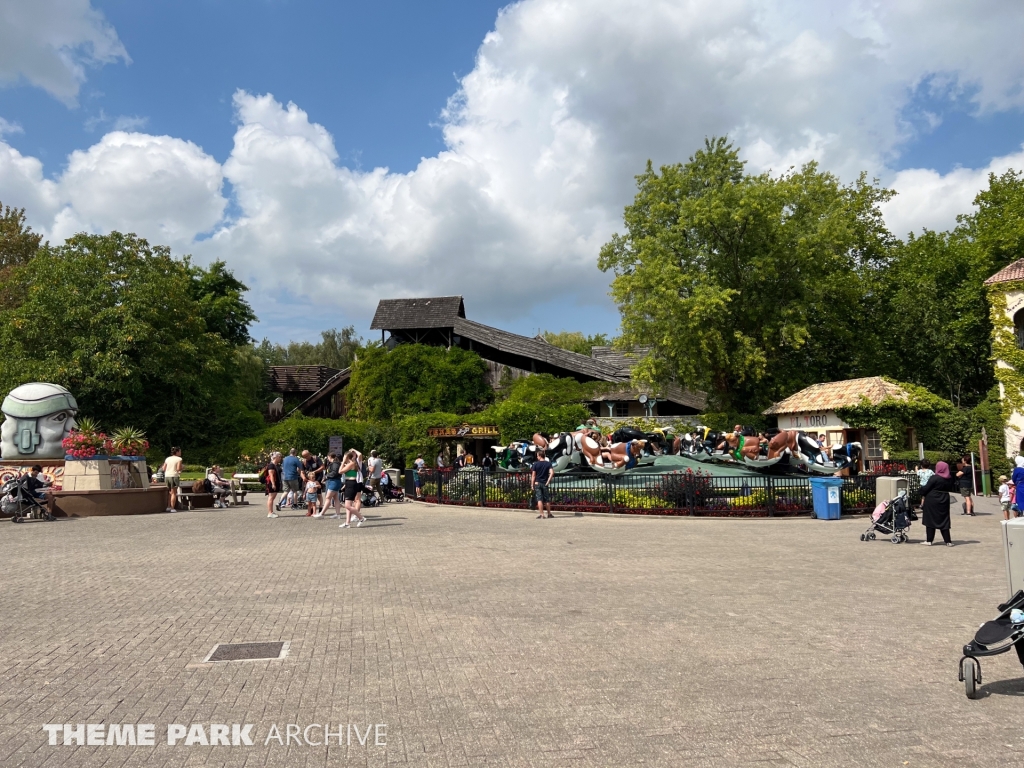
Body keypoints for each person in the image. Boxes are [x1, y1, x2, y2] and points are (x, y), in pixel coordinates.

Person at [919, 460, 955, 546]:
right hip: (944, 498)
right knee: (944, 519)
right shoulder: (949, 478)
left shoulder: (934, 478)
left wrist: (919, 491)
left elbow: (926, 488)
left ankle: (929, 540)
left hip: (932, 499)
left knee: (930, 519)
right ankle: (948, 541)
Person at [339, 449, 367, 528]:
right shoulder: (350, 464)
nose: (343, 457)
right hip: (348, 483)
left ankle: (361, 518)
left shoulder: (351, 464)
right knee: (349, 504)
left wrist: (343, 462)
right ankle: (347, 523)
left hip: (351, 484)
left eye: (345, 456)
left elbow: (340, 471)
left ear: (347, 457)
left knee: (347, 506)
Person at [319, 452, 343, 519]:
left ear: (329, 456)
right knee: (336, 498)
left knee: (328, 498)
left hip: (334, 482)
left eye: (327, 457)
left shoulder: (335, 464)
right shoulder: (335, 463)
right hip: (334, 481)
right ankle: (338, 514)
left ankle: (322, 513)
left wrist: (326, 477)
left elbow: (334, 473)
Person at [531, 449, 554, 519]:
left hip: (537, 483)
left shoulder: (535, 464)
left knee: (539, 499)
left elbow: (533, 475)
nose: (537, 457)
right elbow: (552, 473)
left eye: (537, 456)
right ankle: (549, 514)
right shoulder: (548, 463)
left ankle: (542, 514)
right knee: (547, 499)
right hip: (545, 483)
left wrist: (532, 484)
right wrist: (548, 481)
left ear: (540, 456)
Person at [300, 450, 324, 516]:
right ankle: (310, 510)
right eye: (304, 456)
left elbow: (322, 467)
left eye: (307, 456)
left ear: (309, 454)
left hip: (317, 478)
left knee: (319, 494)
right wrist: (303, 477)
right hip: (309, 480)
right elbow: (301, 471)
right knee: (309, 493)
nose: (306, 457)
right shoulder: (303, 461)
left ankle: (321, 507)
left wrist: (314, 472)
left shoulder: (316, 459)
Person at [160, 447, 183, 513]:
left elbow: (163, 468)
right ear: (177, 452)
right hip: (174, 476)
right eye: (180, 451)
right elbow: (178, 469)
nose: (180, 453)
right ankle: (172, 508)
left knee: (170, 492)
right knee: (174, 493)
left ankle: (168, 506)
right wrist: (182, 468)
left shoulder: (167, 458)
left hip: (167, 476)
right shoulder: (179, 459)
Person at [264, 452, 282, 518]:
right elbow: (271, 475)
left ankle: (271, 511)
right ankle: (269, 513)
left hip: (276, 483)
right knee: (271, 498)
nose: (280, 458)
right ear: (275, 457)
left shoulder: (276, 465)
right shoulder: (271, 465)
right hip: (271, 483)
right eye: (279, 457)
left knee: (272, 498)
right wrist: (273, 484)